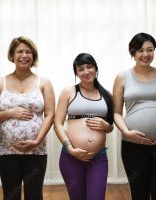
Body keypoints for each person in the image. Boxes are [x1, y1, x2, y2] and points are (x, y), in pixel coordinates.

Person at [113, 32, 156, 200]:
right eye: (140, 50)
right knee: (139, 193)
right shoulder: (123, 77)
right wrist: (127, 132)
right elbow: (116, 113)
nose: (145, 54)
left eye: (150, 50)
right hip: (133, 146)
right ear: (133, 52)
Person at [0, 36, 55, 200]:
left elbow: (50, 115)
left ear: (33, 56)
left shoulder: (43, 82)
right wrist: (11, 112)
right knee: (11, 195)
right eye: (19, 51)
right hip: (7, 151)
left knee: (34, 195)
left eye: (28, 52)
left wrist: (37, 140)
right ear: (12, 55)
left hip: (36, 150)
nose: (24, 55)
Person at [54, 53, 114, 200]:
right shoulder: (69, 92)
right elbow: (57, 124)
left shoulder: (106, 94)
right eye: (81, 69)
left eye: (89, 67)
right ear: (76, 73)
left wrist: (106, 125)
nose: (86, 72)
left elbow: (111, 127)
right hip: (71, 158)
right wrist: (70, 148)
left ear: (96, 68)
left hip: (98, 159)